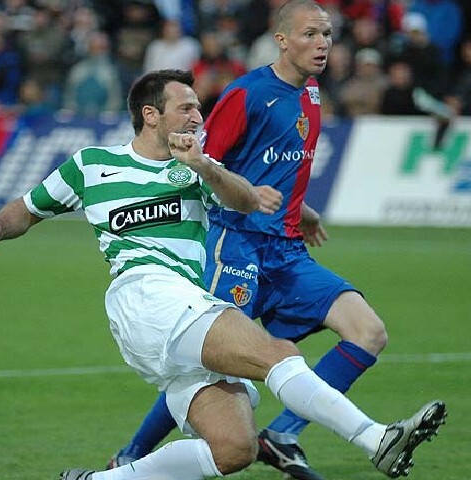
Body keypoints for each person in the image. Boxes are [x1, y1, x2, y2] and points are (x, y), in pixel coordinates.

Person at [0, 67, 446, 480]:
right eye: (186, 108)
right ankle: (376, 439)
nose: (198, 116)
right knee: (278, 353)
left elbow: (246, 201)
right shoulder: (93, 165)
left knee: (234, 448)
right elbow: (28, 208)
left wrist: (204, 167)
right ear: (151, 114)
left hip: (173, 309)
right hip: (146, 293)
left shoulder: (197, 166)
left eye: (198, 107)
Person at [106, 2, 446, 480]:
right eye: (310, 34)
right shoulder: (247, 94)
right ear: (281, 40)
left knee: (368, 331)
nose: (322, 44)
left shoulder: (312, 92)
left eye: (327, 34)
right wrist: (242, 198)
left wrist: (299, 209)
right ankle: (132, 453)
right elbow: (200, 164)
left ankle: (281, 435)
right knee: (211, 363)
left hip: (285, 251)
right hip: (236, 244)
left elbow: (280, 161)